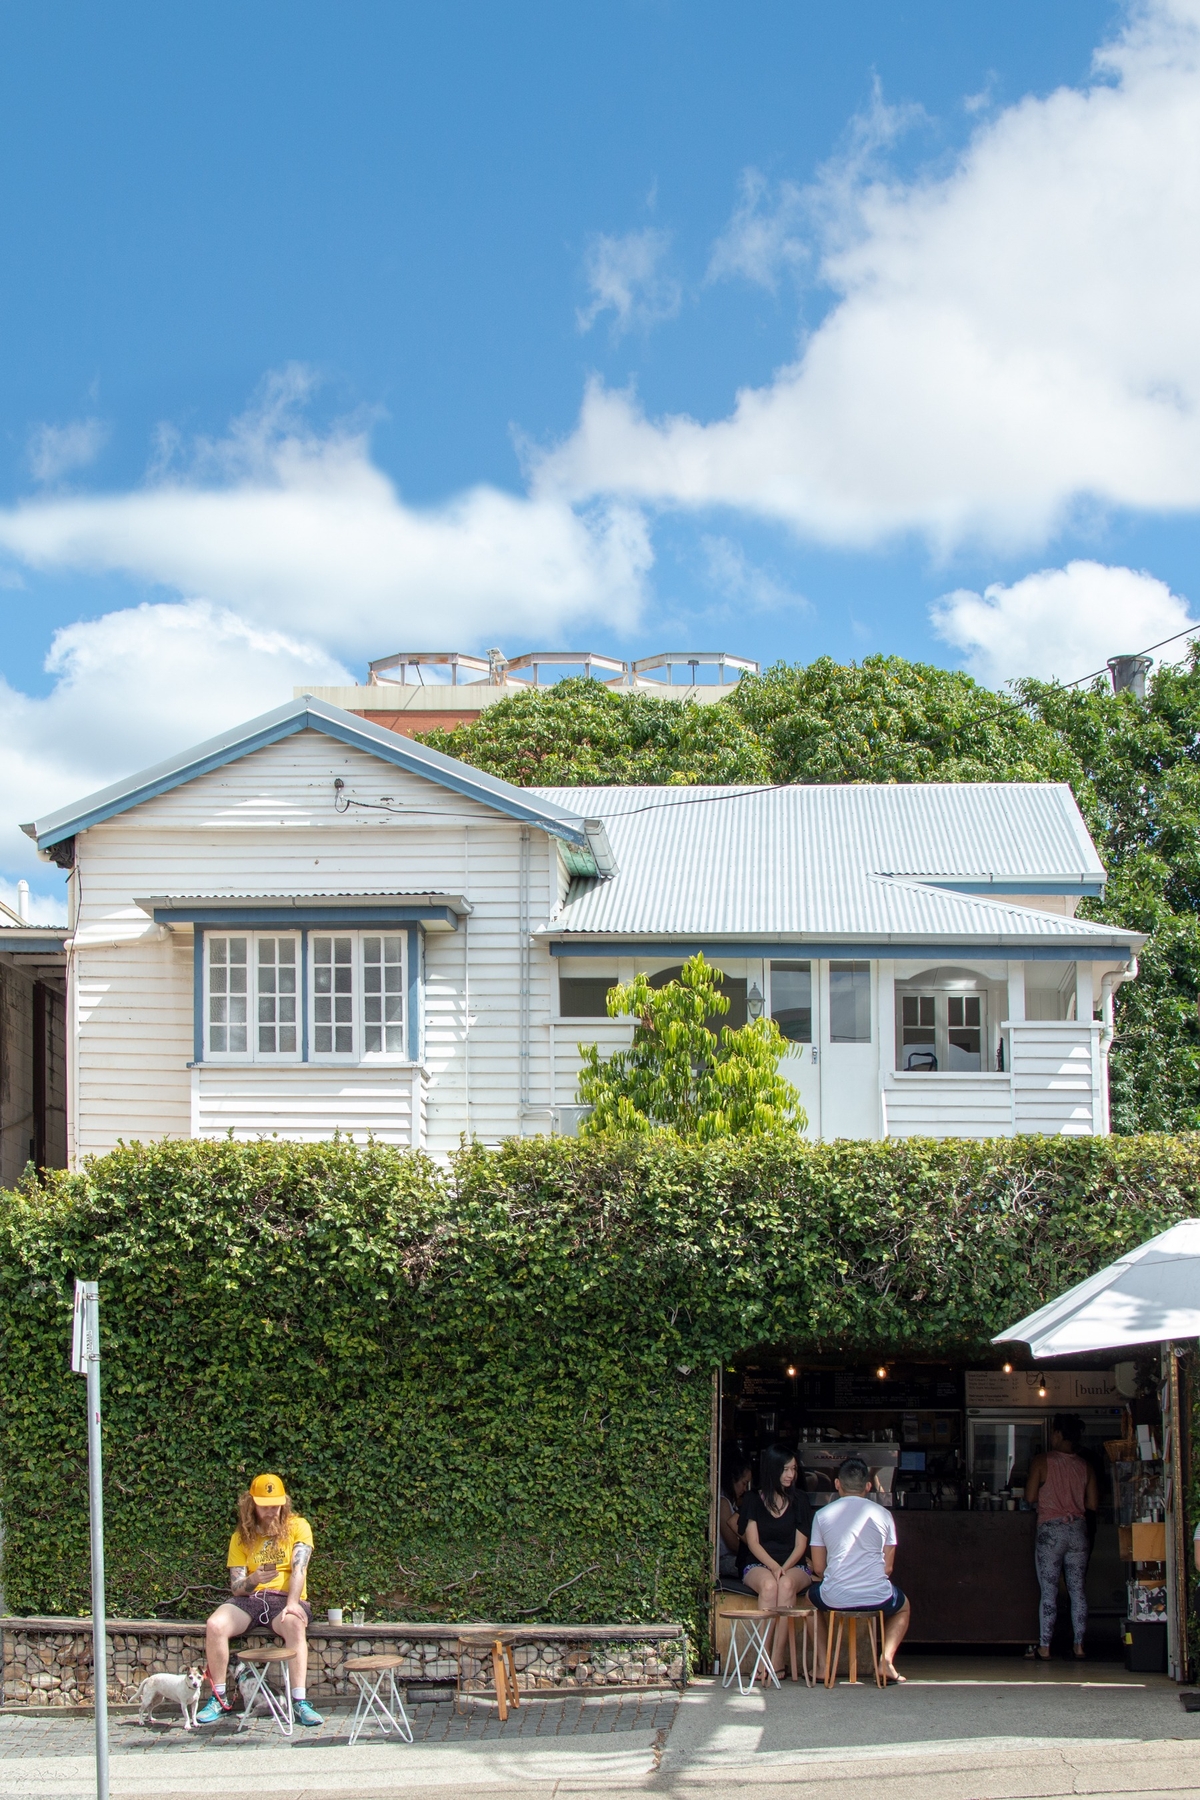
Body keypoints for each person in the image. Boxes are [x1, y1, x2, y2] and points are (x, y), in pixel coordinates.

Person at [196, 1472, 324, 1727]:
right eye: (265, 1506)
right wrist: (254, 1579)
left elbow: (300, 1568)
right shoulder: (241, 1536)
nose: (271, 1511)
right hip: (252, 1599)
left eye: (276, 1505)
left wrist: (292, 1603)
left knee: (295, 1623)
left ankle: (299, 1702)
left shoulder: (299, 1526)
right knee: (215, 1625)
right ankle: (219, 1699)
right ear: (251, 1504)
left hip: (285, 1598)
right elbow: (237, 1588)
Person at [809, 1456, 910, 1683]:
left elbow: (819, 1567)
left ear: (837, 1484)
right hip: (877, 1596)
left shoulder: (821, 1515)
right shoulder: (884, 1515)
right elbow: (888, 1568)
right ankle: (885, 1662)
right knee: (904, 1607)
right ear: (868, 1486)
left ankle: (824, 1666)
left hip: (834, 1596)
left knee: (809, 1603)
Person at [1025, 1414, 1098, 1660]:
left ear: (1057, 1434)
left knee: (1049, 1591)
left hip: (1051, 1533)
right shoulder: (1085, 1466)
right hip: (1077, 1531)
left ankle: (1045, 1646)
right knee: (1078, 1590)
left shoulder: (1041, 1461)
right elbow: (1093, 1504)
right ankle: (1079, 1646)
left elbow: (1030, 1497)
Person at [739, 1444, 813, 1672]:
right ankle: (762, 1658)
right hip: (759, 1563)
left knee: (786, 1584)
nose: (791, 1474)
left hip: (794, 1564)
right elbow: (753, 1542)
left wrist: (784, 1568)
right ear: (773, 1469)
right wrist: (773, 1567)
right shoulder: (753, 1499)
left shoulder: (800, 1499)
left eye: (794, 1469)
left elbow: (801, 1545)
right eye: (785, 1469)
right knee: (770, 1586)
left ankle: (778, 1659)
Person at [719, 1451, 753, 1580]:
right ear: (733, 1479)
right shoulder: (723, 1503)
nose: (745, 1489)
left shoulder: (731, 1502)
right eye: (744, 1483)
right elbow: (732, 1544)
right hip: (725, 1560)